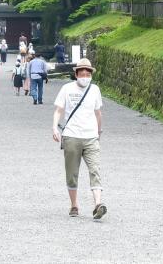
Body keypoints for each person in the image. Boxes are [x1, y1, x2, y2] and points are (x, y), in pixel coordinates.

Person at [52, 58, 106, 220]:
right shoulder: (66, 89)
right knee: (72, 173)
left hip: (91, 137)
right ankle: (74, 204)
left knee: (95, 170)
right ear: (76, 74)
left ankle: (98, 204)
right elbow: (59, 110)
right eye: (82, 73)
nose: (85, 76)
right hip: (72, 136)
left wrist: (98, 132)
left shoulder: (95, 90)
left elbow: (98, 113)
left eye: (87, 73)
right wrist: (55, 127)